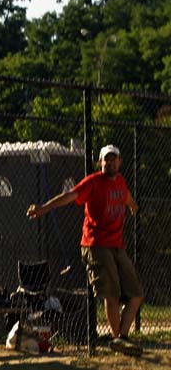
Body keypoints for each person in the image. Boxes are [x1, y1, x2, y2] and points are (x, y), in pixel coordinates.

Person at [27, 144, 143, 356]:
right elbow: (69, 196)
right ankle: (119, 339)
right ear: (100, 162)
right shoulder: (93, 182)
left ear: (120, 161)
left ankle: (122, 338)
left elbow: (125, 196)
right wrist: (43, 209)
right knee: (112, 294)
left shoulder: (120, 181)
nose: (110, 162)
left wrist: (133, 206)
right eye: (106, 159)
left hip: (117, 245)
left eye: (113, 159)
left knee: (136, 294)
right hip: (95, 244)